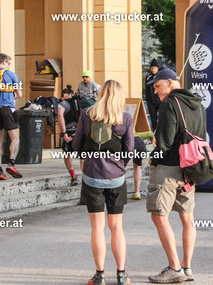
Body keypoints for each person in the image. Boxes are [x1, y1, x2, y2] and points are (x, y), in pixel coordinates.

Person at [72, 80, 134, 285]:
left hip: (92, 176)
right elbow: (129, 150)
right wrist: (120, 166)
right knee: (116, 227)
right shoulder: (125, 118)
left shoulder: (87, 114)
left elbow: (76, 145)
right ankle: (122, 274)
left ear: (100, 94)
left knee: (97, 228)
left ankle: (99, 275)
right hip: (116, 178)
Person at [146, 68, 205, 283]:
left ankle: (174, 268)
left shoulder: (170, 104)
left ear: (170, 82)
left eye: (158, 86)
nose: (156, 92)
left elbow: (164, 142)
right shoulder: (198, 104)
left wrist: (153, 161)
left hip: (169, 167)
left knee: (159, 215)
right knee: (187, 217)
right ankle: (186, 267)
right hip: (190, 168)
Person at [0, 53, 22, 180]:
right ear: (4, 62)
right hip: (7, 109)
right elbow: (19, 94)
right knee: (15, 138)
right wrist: (11, 96)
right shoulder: (10, 74)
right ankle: (11, 164)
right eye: (8, 63)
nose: (8, 65)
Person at [57, 85, 80, 186]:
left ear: (65, 95)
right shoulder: (80, 102)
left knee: (67, 154)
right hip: (81, 131)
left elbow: (60, 115)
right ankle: (86, 178)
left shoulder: (63, 104)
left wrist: (64, 133)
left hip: (70, 132)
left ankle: (73, 177)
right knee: (83, 156)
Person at [145, 59, 162, 130]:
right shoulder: (148, 77)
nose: (153, 70)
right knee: (153, 119)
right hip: (151, 102)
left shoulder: (160, 76)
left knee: (162, 118)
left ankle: (161, 131)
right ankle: (154, 132)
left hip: (160, 100)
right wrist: (147, 99)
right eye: (152, 68)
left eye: (154, 68)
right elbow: (146, 89)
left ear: (157, 68)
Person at [132, 136, 148, 200]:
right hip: (140, 142)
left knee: (120, 165)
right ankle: (137, 192)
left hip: (127, 141)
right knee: (137, 166)